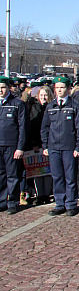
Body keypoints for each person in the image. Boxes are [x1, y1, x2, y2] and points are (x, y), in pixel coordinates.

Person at [41, 76, 79, 216]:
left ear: (68, 89)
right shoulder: (51, 106)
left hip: (69, 147)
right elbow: (45, 127)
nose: (59, 90)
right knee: (57, 176)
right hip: (54, 147)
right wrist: (45, 145)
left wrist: (78, 147)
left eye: (62, 87)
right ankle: (59, 203)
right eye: (57, 88)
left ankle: (71, 204)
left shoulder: (74, 106)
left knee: (70, 177)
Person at [0, 76, 27, 214]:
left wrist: (20, 147)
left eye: (3, 87)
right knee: (1, 174)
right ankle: (1, 201)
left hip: (11, 144)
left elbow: (22, 127)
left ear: (8, 88)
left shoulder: (17, 104)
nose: (0, 90)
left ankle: (13, 202)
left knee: (12, 174)